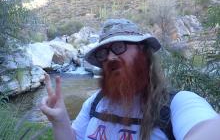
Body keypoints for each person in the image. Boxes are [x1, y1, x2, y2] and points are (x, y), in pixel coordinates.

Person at [40, 19, 220, 140]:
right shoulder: (94, 103)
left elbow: (211, 129)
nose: (110, 58)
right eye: (103, 53)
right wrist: (60, 120)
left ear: (144, 52)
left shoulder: (178, 104)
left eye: (119, 46)